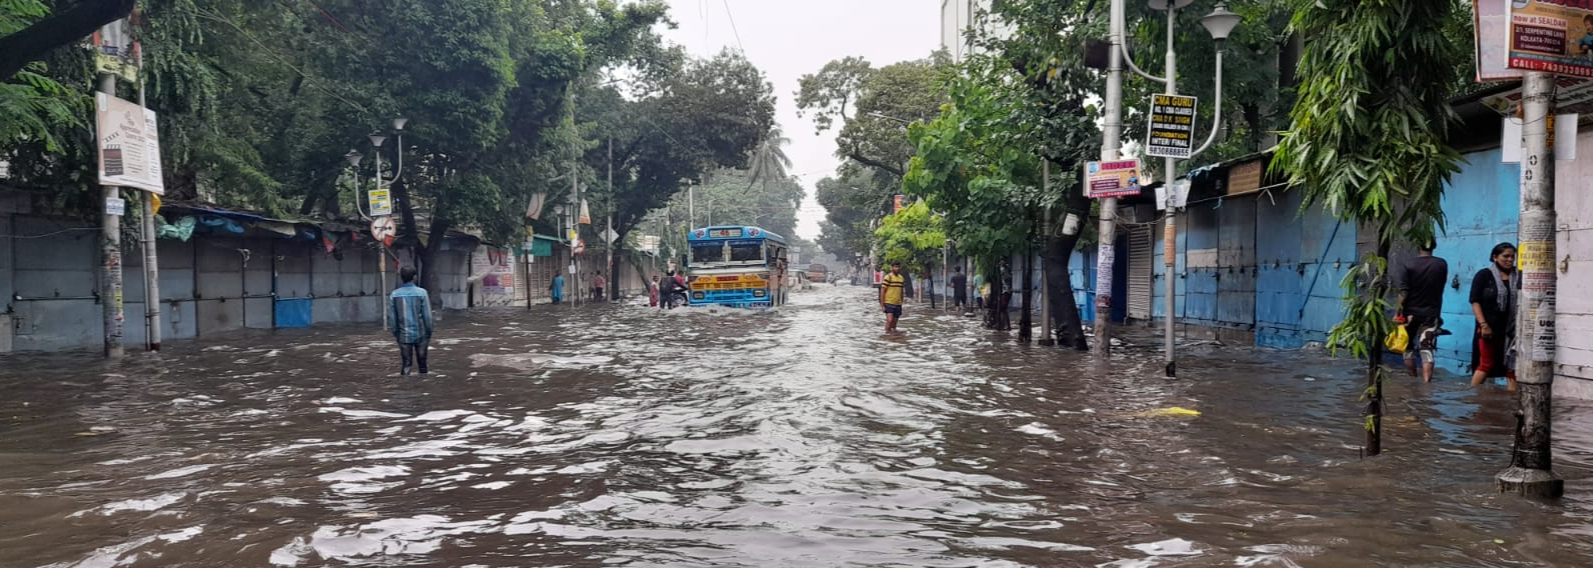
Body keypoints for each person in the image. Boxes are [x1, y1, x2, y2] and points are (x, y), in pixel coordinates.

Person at [1396, 241, 1448, 383]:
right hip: (1431, 313)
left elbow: (1404, 291)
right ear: (1434, 245)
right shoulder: (1441, 264)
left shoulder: (1409, 264)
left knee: (1408, 348)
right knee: (1427, 348)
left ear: (1418, 246)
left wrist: (1397, 312)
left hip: (1410, 314)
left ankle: (1413, 380)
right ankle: (1426, 385)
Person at [1470, 242, 1519, 390]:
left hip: (1512, 330)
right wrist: (1483, 325)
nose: (1510, 260)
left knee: (1512, 366)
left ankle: (1510, 403)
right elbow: (1475, 301)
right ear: (1495, 257)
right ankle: (1473, 397)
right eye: (1506, 256)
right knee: (1486, 363)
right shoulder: (1484, 275)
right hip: (1489, 328)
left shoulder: (1519, 276)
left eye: (1512, 256)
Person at [390, 266, 433, 376]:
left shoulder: (394, 295)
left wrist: (396, 333)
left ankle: (405, 387)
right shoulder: (422, 293)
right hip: (421, 334)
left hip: (403, 335)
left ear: (401, 278)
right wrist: (429, 332)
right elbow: (427, 317)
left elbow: (393, 318)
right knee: (422, 364)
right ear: (414, 277)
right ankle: (423, 387)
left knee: (406, 364)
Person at [880, 261, 906, 332]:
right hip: (889, 302)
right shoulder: (888, 277)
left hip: (898, 303)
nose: (897, 268)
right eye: (895, 267)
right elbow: (882, 291)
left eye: (898, 267)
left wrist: (901, 301)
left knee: (894, 324)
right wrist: (882, 305)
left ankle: (893, 338)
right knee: (889, 320)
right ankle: (887, 335)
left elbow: (901, 291)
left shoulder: (901, 278)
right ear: (892, 268)